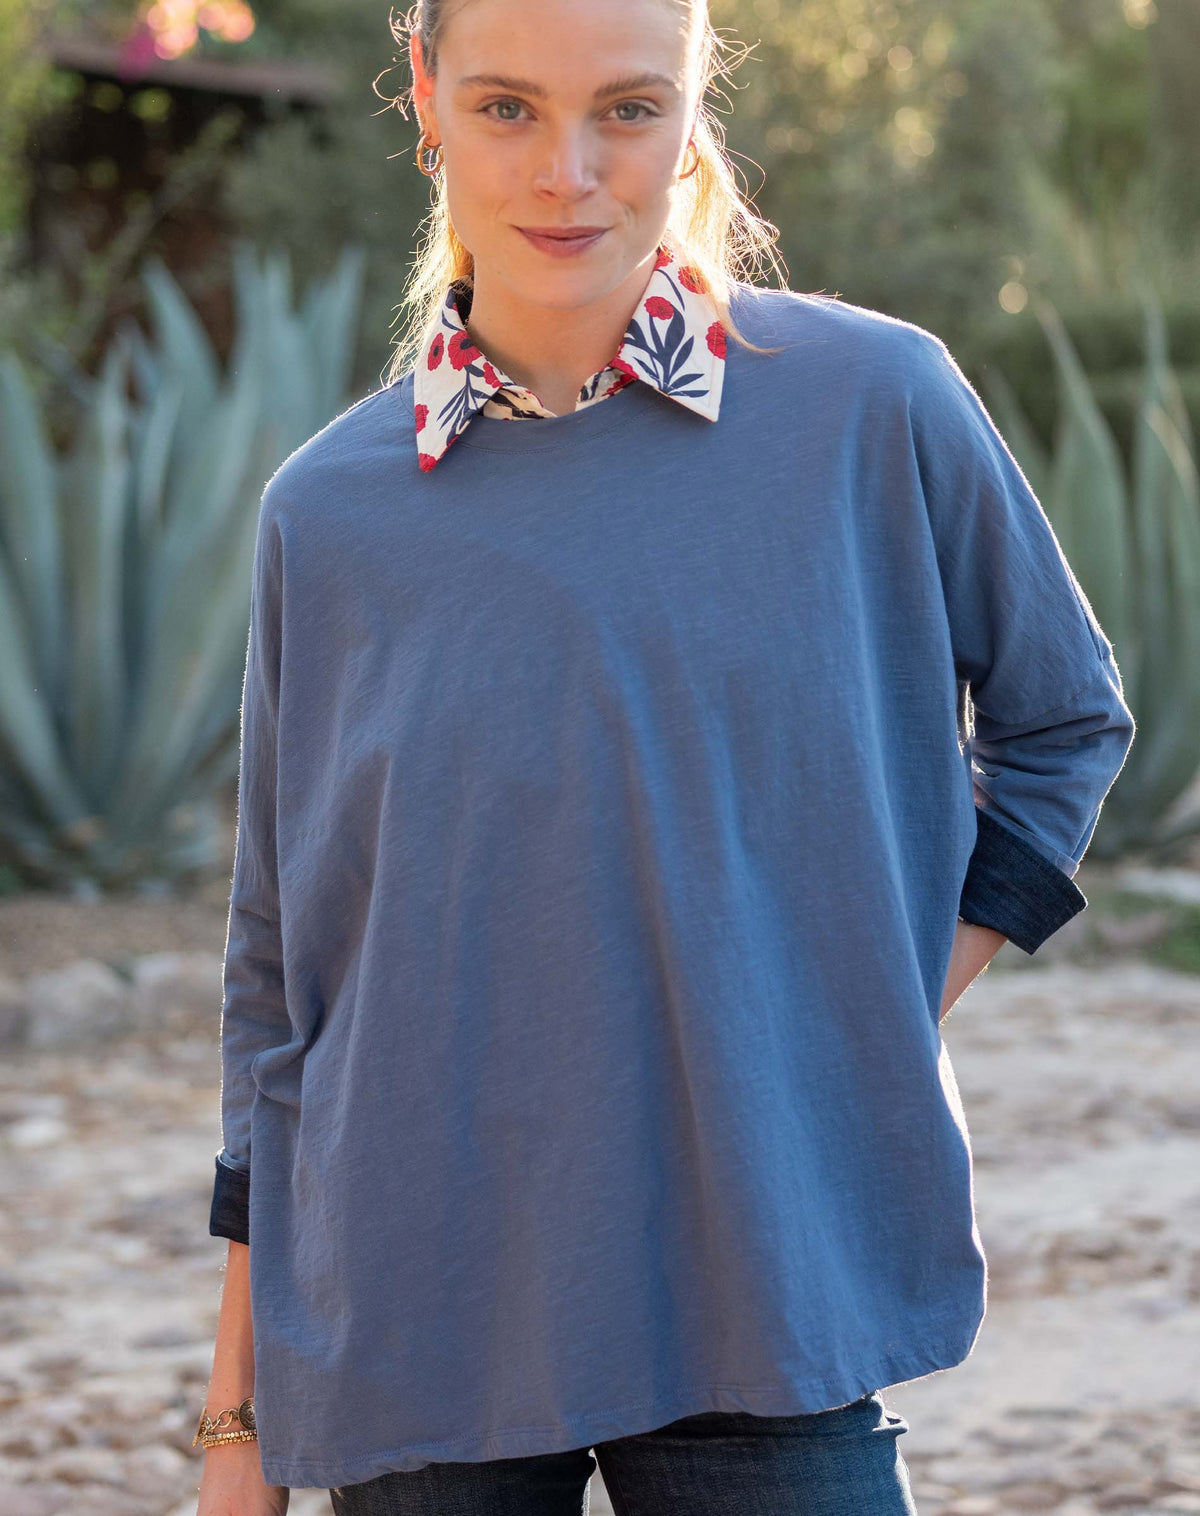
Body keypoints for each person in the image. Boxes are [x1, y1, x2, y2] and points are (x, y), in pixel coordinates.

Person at [194, 0, 1137, 1510]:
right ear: (425, 96)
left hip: (759, 1274)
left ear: (695, 108)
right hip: (417, 1315)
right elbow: (281, 976)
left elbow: (1064, 719)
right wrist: (235, 1423)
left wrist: (873, 998)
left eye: (628, 109)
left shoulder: (873, 406)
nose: (568, 170)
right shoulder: (329, 512)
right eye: (507, 107)